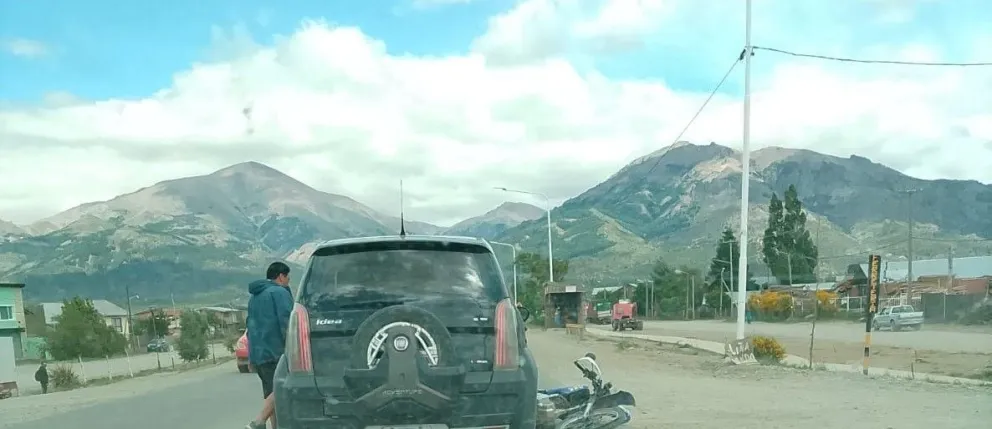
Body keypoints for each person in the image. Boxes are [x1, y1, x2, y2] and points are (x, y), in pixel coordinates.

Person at [245, 262, 294, 429]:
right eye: (288, 277)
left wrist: (251, 356)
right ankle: (258, 421)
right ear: (281, 276)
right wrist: (293, 348)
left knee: (270, 394)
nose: (288, 281)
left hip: (260, 354)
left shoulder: (254, 297)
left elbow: (250, 327)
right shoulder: (280, 293)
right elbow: (287, 322)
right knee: (280, 388)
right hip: (276, 351)